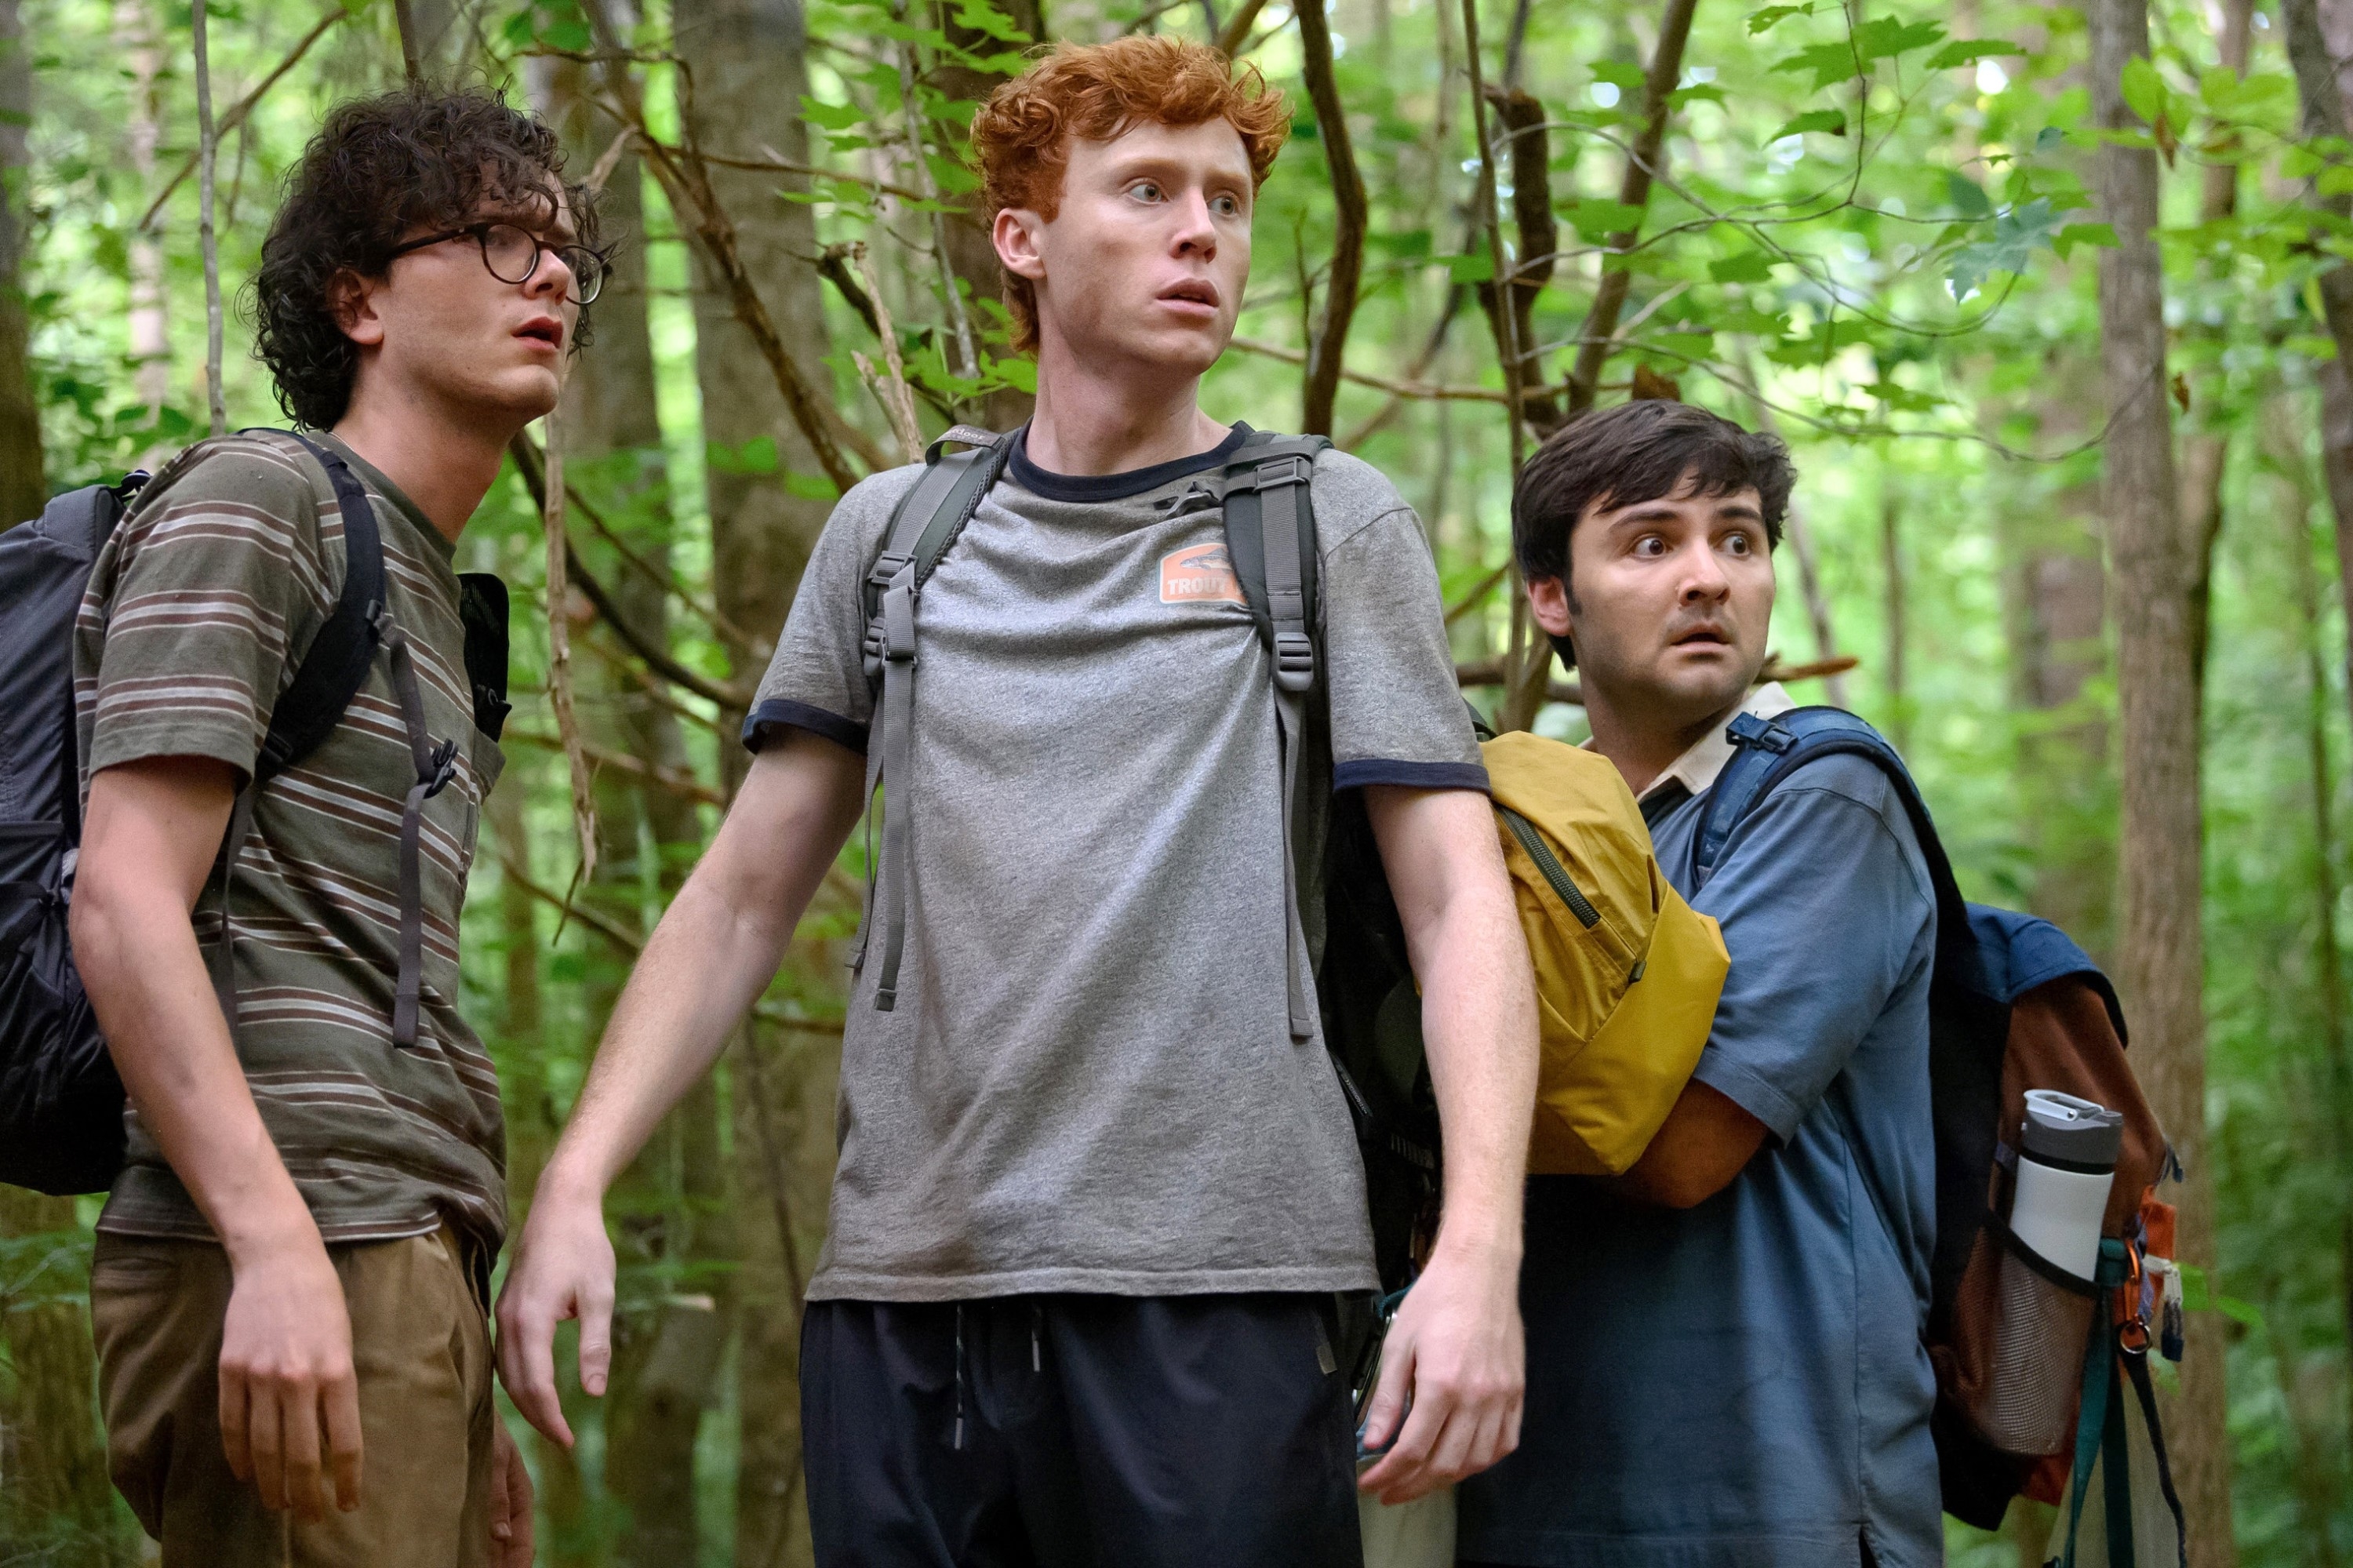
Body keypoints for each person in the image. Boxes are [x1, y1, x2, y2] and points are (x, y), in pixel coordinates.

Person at [496, 35, 1539, 1566]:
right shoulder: (893, 539)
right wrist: (578, 1179)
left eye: (1229, 202)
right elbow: (736, 898)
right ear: (1023, 239)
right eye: (1147, 191)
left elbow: (1459, 903)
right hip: (910, 1300)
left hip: (1224, 1289)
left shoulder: (1321, 524)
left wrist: (1477, 1255)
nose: (1203, 231)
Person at [69, 88, 606, 1567]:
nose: (552, 275)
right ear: (356, 297)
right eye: (499, 240)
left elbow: (378, 988)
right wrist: (271, 1244)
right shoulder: (263, 499)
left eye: (565, 252)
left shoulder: (431, 594)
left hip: (389, 1254)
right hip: (279, 1248)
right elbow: (123, 896)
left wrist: (451, 1369)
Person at [1455, 399, 1943, 1568]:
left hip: (1781, 1496)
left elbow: (1676, 1147)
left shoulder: (1821, 797)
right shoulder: (1513, 832)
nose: (1709, 578)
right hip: (1526, 1483)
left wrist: (1446, 1080)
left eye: (1739, 539)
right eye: (1650, 542)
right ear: (1550, 599)